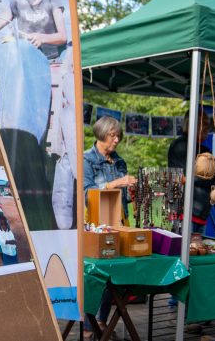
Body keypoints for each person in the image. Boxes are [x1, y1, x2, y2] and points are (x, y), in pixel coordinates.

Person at [0, 0, 75, 231]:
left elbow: (63, 35)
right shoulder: (17, 0)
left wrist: (41, 37)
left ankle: (35, 136)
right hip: (25, 66)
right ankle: (19, 128)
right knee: (12, 52)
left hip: (48, 64)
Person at [82, 116, 136, 338]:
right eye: (113, 135)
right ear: (101, 134)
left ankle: (102, 321)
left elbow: (122, 198)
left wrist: (132, 193)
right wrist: (117, 183)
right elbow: (87, 194)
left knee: (115, 275)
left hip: (119, 222)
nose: (116, 140)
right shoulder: (87, 159)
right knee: (97, 274)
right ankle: (88, 325)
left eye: (118, 136)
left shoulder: (120, 162)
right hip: (96, 224)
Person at [167, 108, 215, 233]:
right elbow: (188, 177)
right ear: (190, 124)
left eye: (208, 124)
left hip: (201, 216)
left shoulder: (205, 150)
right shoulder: (180, 146)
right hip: (183, 215)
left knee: (197, 251)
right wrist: (210, 174)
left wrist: (208, 173)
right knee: (183, 251)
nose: (207, 127)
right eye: (204, 123)